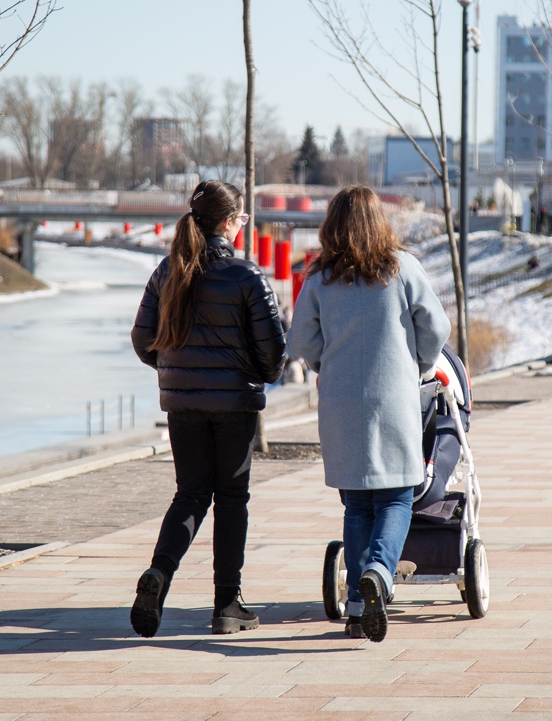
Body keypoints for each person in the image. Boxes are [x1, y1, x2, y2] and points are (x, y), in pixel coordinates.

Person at [288, 185, 450, 642]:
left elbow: (299, 340)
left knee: (356, 502)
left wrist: (327, 363)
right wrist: (417, 361)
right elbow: (436, 326)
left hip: (340, 400)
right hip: (393, 397)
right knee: (397, 496)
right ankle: (379, 572)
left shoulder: (319, 277)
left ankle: (358, 606)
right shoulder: (401, 269)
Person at [128, 180, 287, 638]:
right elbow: (274, 357)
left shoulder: (167, 271)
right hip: (235, 405)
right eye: (241, 219)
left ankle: (160, 572)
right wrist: (245, 373)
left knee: (191, 494)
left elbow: (143, 340)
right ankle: (226, 604)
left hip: (182, 404)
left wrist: (178, 369)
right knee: (232, 499)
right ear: (228, 223)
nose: (241, 226)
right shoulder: (245, 276)